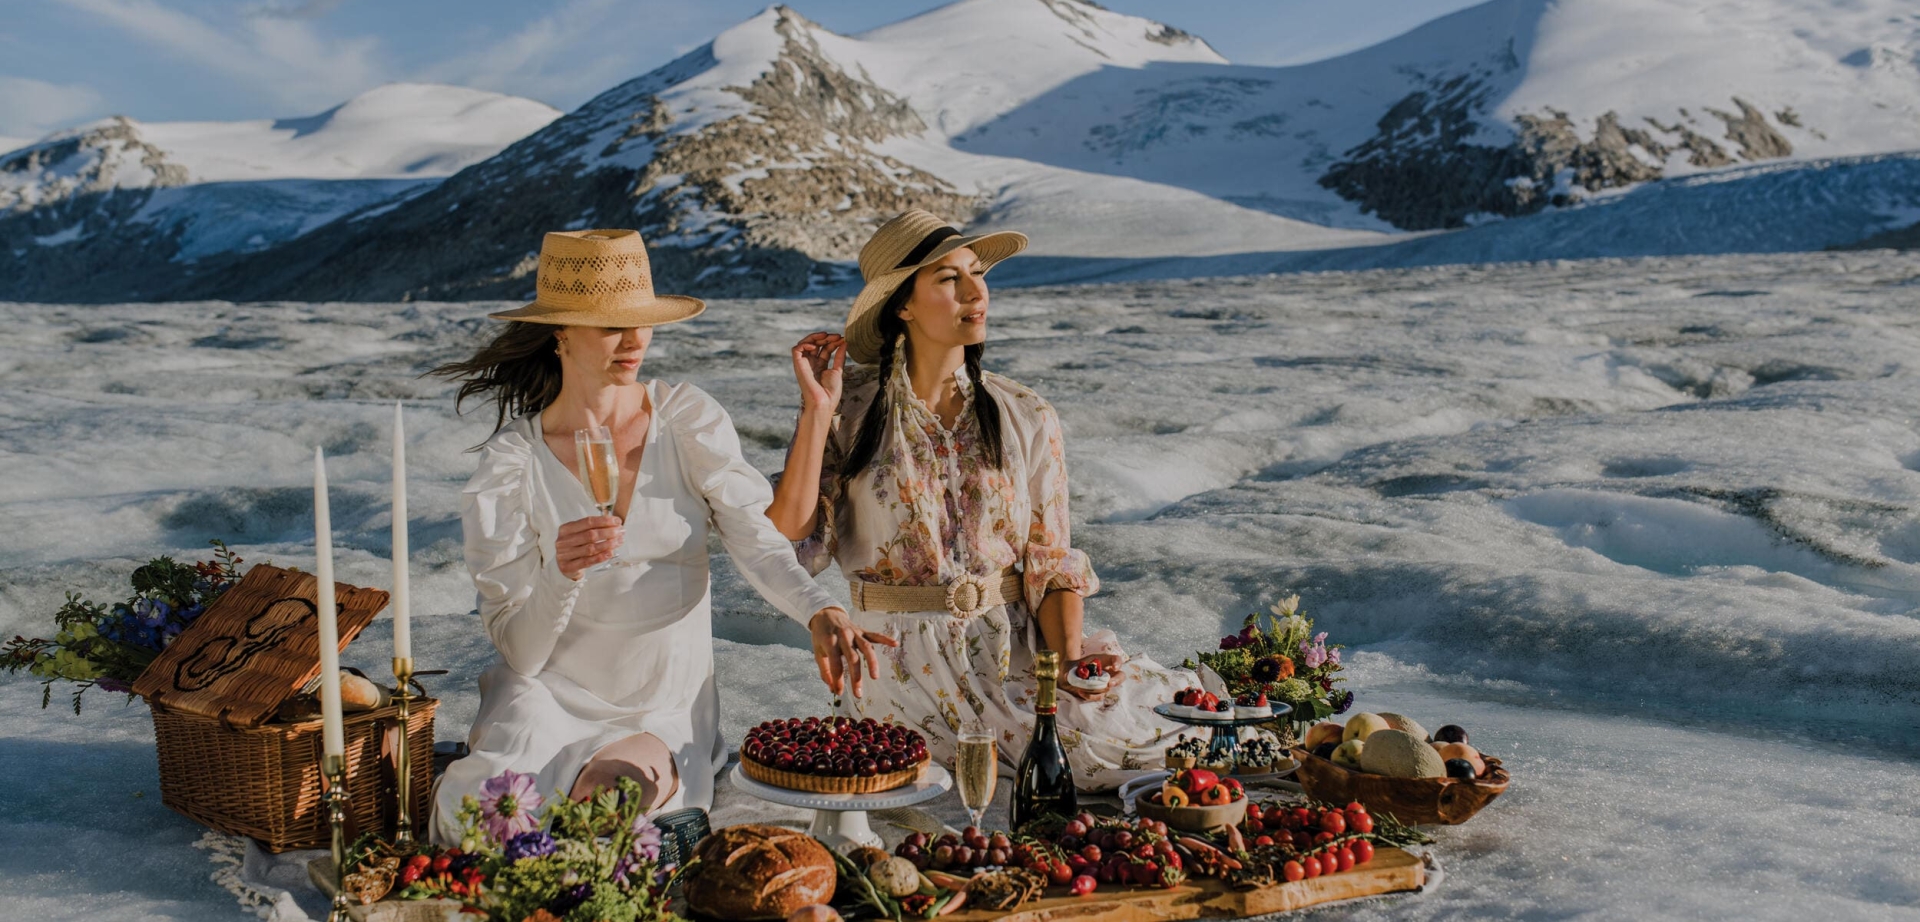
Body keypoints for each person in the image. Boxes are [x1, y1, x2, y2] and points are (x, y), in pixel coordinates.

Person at [427, 229, 893, 844]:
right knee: (484, 817)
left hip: (662, 703)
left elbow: (757, 538)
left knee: (613, 806)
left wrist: (819, 608)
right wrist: (560, 573)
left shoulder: (684, 419)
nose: (634, 341)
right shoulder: (513, 465)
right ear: (559, 332)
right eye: (609, 325)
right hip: (548, 693)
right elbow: (524, 654)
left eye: (641, 322)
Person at [767, 210, 1194, 789]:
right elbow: (791, 535)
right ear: (902, 305)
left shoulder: (1026, 412)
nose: (976, 292)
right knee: (1027, 782)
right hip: (899, 666)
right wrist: (817, 411)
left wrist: (1070, 659)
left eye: (977, 274)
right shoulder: (851, 409)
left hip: (1012, 653)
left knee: (1138, 753)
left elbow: (1051, 561)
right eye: (948, 279)